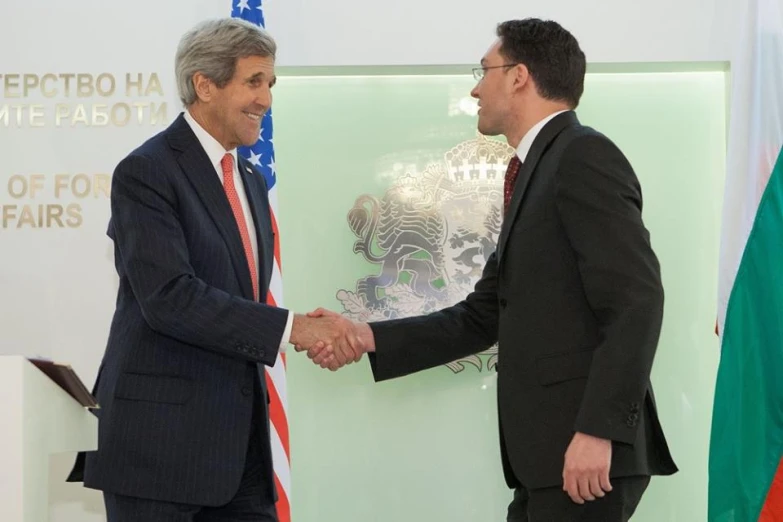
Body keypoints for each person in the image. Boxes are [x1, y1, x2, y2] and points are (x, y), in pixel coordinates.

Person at [304, 18, 678, 522]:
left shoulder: (582, 155)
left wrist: (599, 431)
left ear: (519, 76)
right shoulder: (535, 169)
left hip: (586, 456)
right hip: (545, 461)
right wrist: (364, 335)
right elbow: (481, 317)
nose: (476, 88)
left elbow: (637, 299)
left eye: (484, 71)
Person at [66, 18, 357, 521]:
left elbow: (237, 298)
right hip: (159, 451)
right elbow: (170, 298)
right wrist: (294, 328)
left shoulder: (250, 177)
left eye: (270, 84)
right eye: (253, 81)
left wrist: (300, 328)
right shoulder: (147, 171)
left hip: (240, 451)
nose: (266, 98)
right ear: (204, 84)